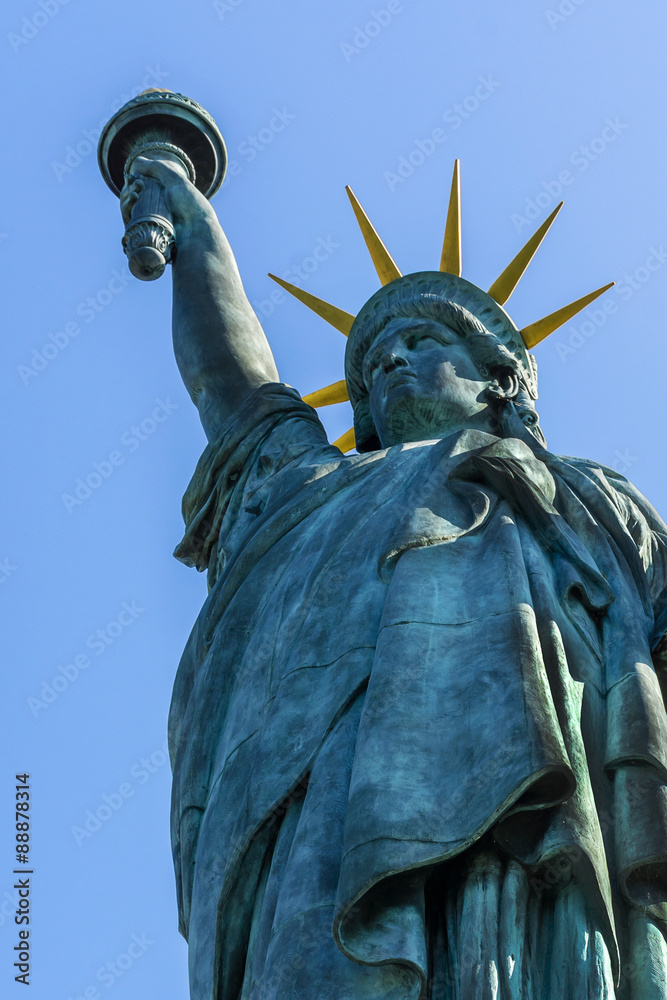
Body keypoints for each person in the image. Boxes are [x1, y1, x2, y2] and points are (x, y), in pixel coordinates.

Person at [122, 157, 667, 1000]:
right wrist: (194, 228)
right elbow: (235, 392)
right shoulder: (314, 490)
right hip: (322, 810)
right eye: (375, 359)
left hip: (550, 798)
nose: (392, 363)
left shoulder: (595, 499)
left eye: (425, 341)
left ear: (500, 377)